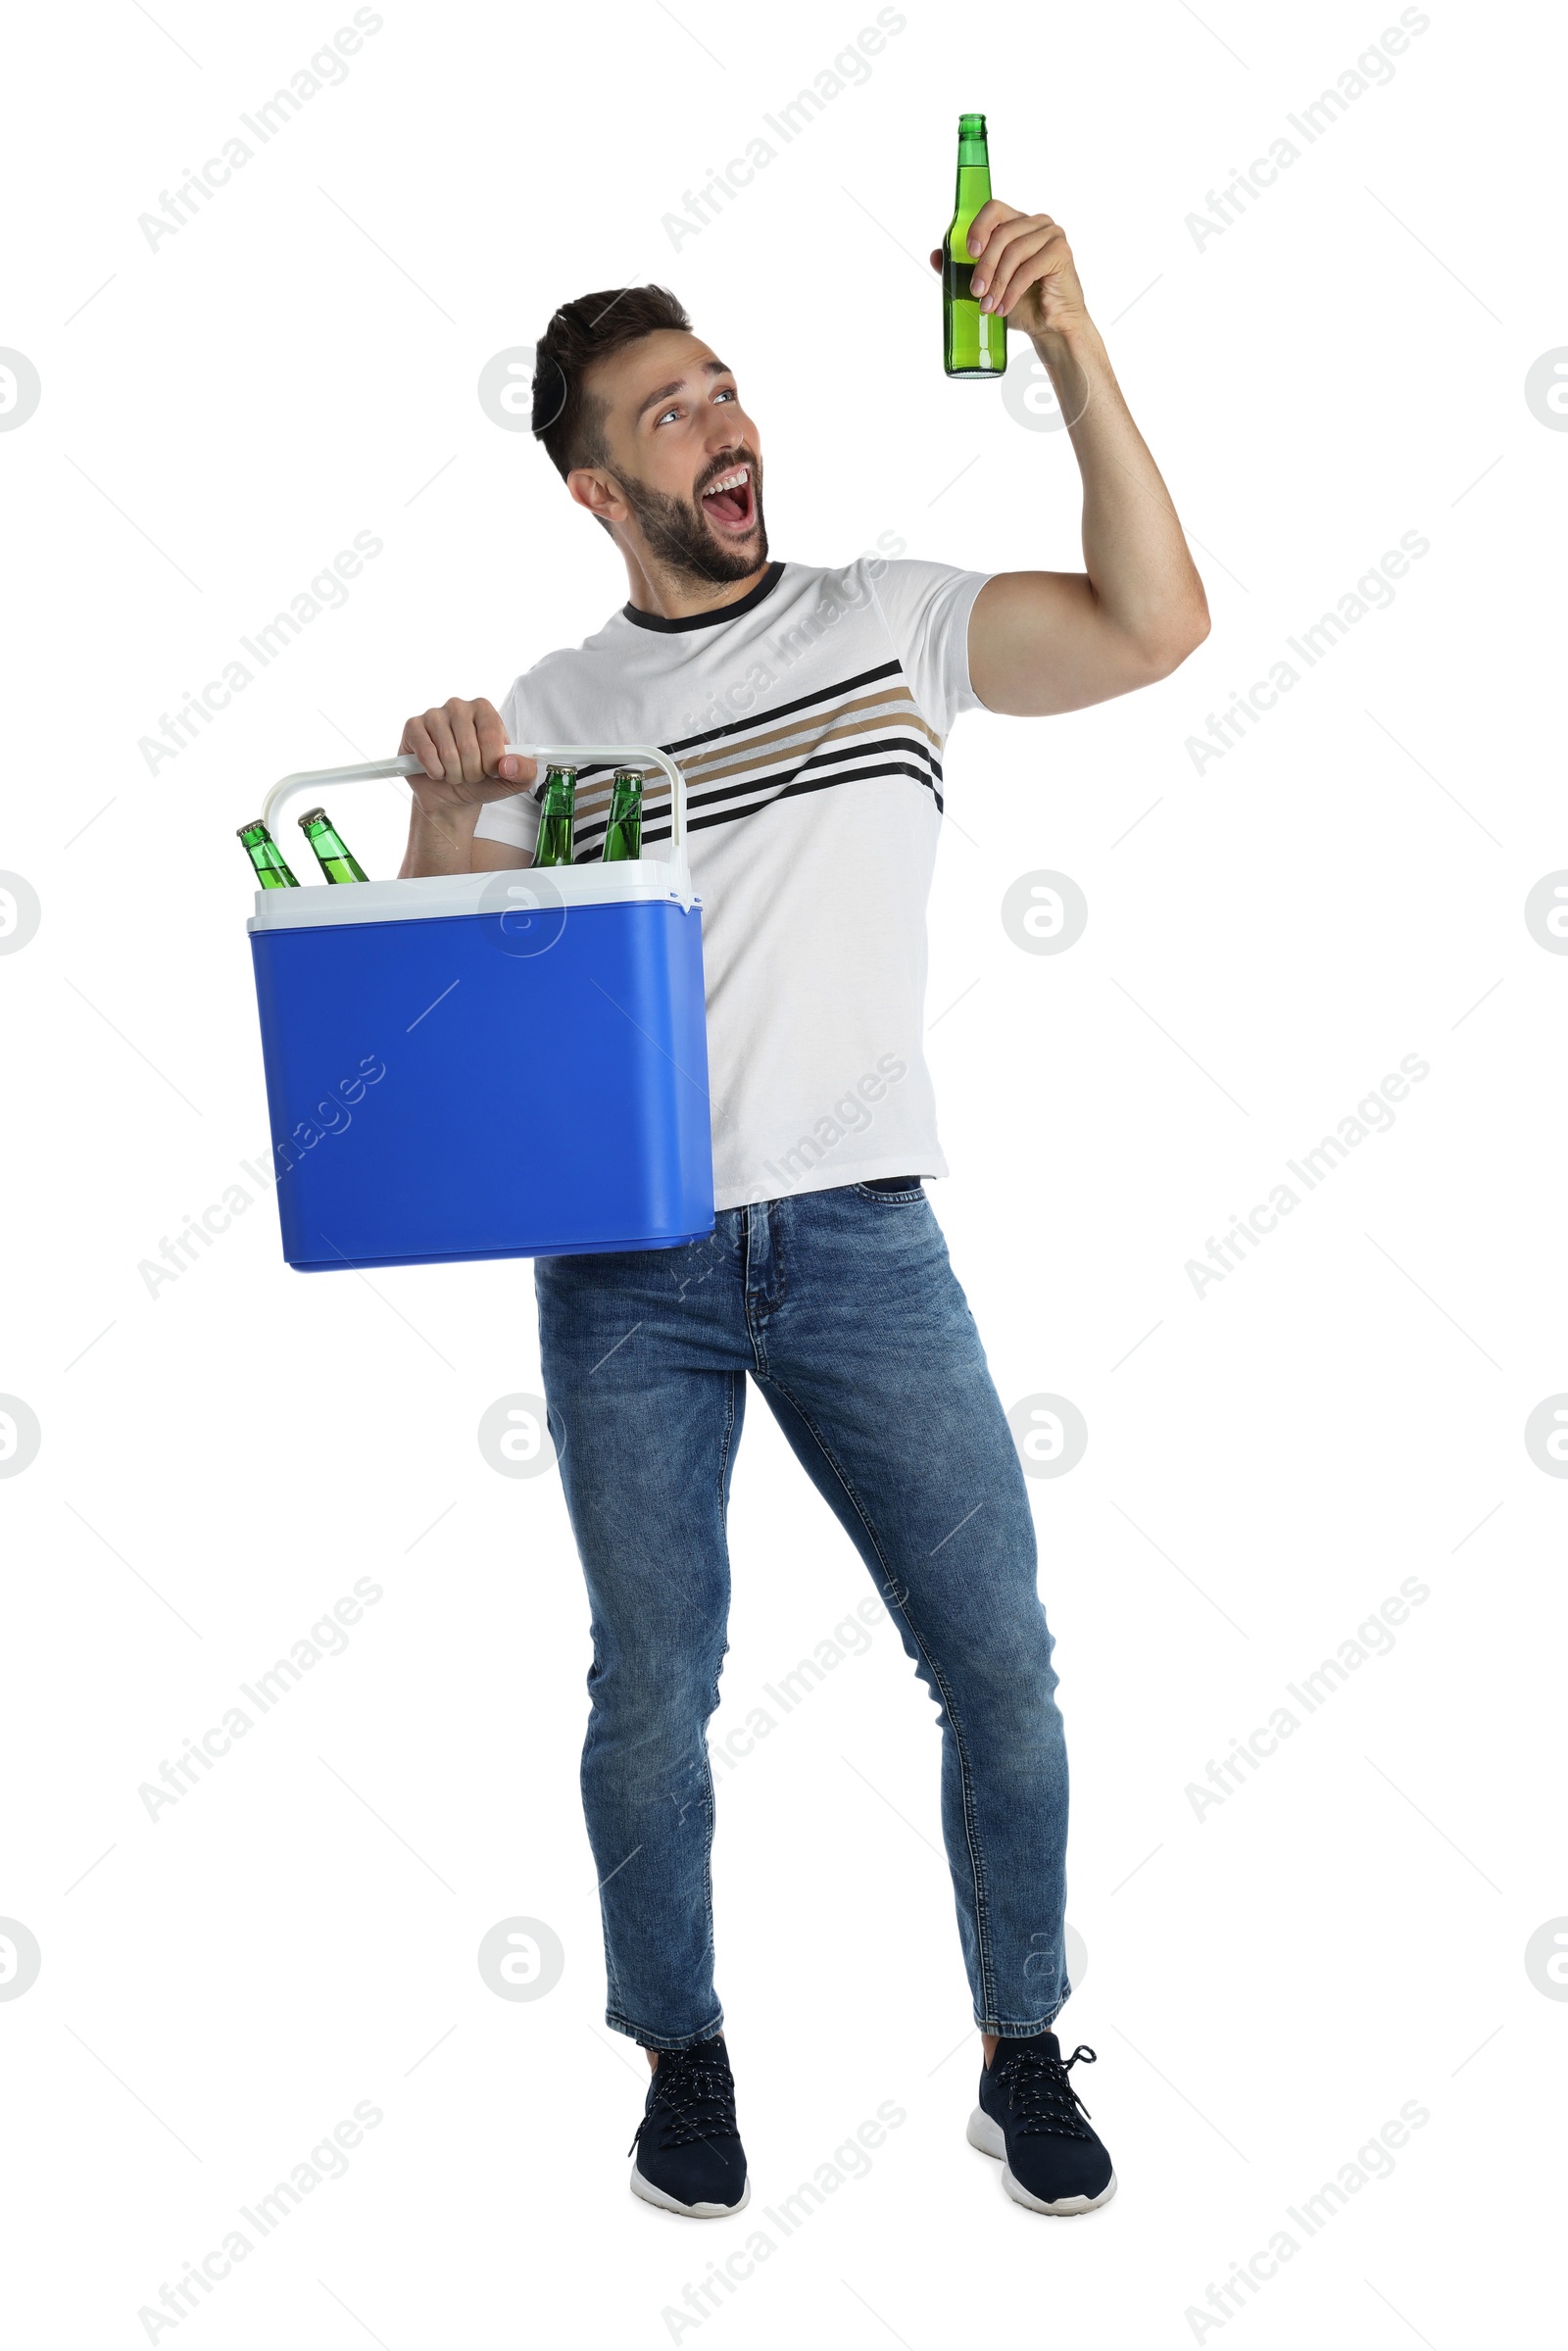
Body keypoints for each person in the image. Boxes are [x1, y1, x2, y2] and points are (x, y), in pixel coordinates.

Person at [398, 196, 1209, 2219]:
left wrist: (1073, 349)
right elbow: (441, 1040)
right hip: (627, 1266)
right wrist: (435, 814)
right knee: (649, 1691)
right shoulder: (559, 712)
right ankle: (679, 2054)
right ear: (597, 488)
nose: (716, 424)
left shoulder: (889, 623)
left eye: (723, 389)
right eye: (664, 418)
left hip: (860, 1239)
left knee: (997, 1664)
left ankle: (1018, 2042)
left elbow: (1152, 624)